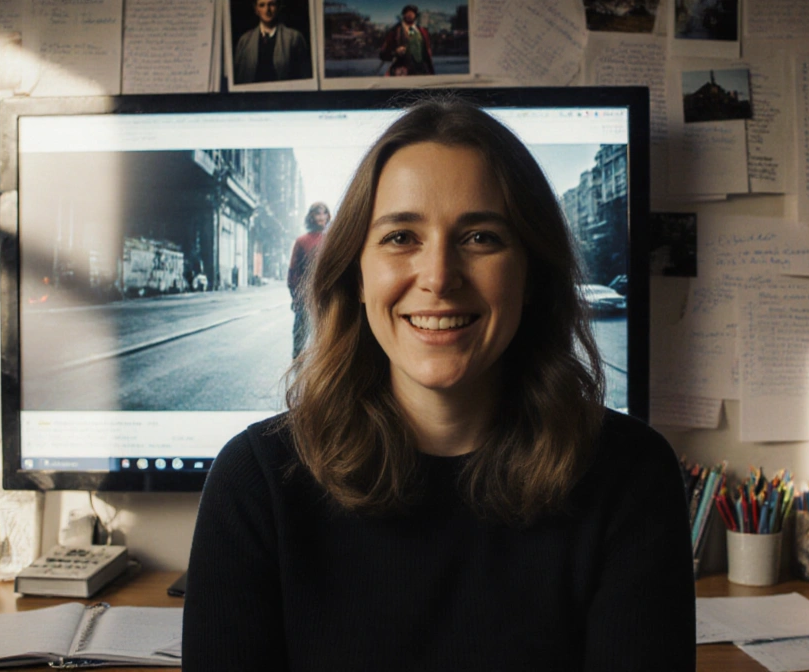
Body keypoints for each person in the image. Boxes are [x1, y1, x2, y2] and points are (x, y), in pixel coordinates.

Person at [183, 98, 695, 670]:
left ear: (531, 275)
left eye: (480, 237)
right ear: (356, 272)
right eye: (401, 237)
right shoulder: (254, 484)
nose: (438, 278)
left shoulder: (632, 477)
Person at [233, 0, 312, 84]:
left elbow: (304, 76)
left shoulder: (294, 38)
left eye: (272, 4)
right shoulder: (244, 41)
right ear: (256, 9)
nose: (267, 10)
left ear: (278, 7)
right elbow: (239, 77)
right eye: (262, 5)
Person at [287, 201, 329, 358]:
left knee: (324, 341)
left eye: (324, 213)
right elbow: (293, 272)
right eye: (317, 213)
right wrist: (296, 297)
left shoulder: (331, 240)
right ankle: (297, 371)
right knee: (300, 339)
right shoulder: (302, 241)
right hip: (304, 298)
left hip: (325, 297)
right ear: (311, 216)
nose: (321, 217)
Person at [379, 5, 434, 76]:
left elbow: (424, 49)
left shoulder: (420, 31)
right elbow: (383, 54)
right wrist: (396, 51)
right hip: (403, 69)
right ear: (404, 15)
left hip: (421, 69)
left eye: (412, 13)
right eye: (407, 13)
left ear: (415, 15)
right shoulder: (395, 31)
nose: (410, 15)